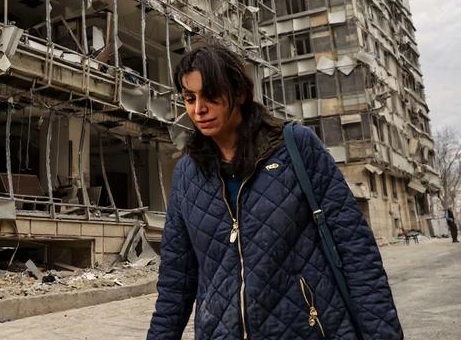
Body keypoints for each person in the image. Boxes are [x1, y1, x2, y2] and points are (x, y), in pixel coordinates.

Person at [147, 44, 402, 339]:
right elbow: (175, 283)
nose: (198, 109)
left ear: (239, 93)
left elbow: (356, 251)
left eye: (211, 95)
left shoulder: (296, 148)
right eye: (189, 98)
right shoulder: (186, 174)